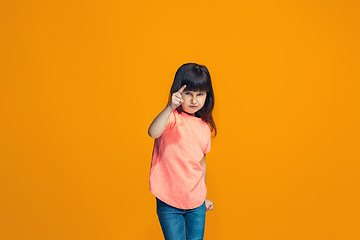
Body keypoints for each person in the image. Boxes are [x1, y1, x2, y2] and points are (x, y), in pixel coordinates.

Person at [148, 63, 217, 240]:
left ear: (207, 96)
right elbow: (153, 132)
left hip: (196, 203)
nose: (194, 100)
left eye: (200, 94)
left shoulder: (204, 128)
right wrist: (170, 107)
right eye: (188, 94)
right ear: (178, 93)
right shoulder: (172, 119)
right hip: (169, 201)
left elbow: (201, 164)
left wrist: (204, 197)